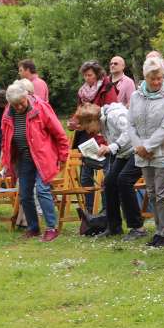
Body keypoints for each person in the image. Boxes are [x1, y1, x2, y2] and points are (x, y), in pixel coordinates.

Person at [0, 79, 69, 242]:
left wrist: (63, 155)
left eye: (21, 103)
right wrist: (6, 161)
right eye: (15, 105)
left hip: (43, 157)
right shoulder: (8, 113)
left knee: (42, 190)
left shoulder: (41, 108)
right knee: (24, 194)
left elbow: (59, 133)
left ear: (27, 96)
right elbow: (5, 138)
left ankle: (52, 228)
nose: (19, 107)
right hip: (23, 158)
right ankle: (33, 228)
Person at [129, 54, 164, 247]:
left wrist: (148, 146)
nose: (157, 81)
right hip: (142, 152)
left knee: (162, 193)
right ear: (146, 77)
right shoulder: (136, 96)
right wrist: (139, 146)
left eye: (160, 78)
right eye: (153, 78)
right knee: (151, 192)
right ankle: (158, 231)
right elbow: (131, 124)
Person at [74, 101, 144, 239]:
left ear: (93, 119)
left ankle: (138, 228)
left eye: (87, 127)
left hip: (138, 150)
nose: (89, 132)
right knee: (109, 182)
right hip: (123, 154)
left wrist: (112, 147)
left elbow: (129, 132)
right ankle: (114, 227)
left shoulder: (115, 115)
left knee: (124, 181)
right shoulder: (103, 124)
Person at [72, 61, 116, 219]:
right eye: (84, 75)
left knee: (106, 174)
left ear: (97, 74)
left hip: (102, 135)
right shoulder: (82, 91)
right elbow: (79, 112)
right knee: (86, 175)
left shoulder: (107, 87)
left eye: (89, 75)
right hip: (86, 137)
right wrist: (75, 122)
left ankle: (106, 211)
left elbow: (110, 109)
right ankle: (88, 212)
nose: (87, 78)